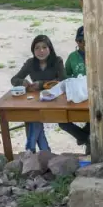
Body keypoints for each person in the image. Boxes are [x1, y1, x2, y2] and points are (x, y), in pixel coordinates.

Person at [11, 35, 65, 153]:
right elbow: (14, 79)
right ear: (33, 50)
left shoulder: (57, 61)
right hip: (37, 101)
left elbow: (63, 82)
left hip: (55, 101)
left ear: (50, 48)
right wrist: (22, 82)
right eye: (37, 48)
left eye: (44, 47)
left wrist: (41, 85)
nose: (41, 51)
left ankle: (30, 151)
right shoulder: (30, 63)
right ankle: (45, 152)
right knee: (35, 119)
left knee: (35, 119)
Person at [59, 25, 91, 153]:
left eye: (86, 40)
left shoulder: (99, 54)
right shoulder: (72, 57)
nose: (83, 43)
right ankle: (84, 137)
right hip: (78, 95)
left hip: (93, 96)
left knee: (94, 120)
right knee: (61, 120)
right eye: (80, 40)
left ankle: (89, 145)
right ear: (77, 42)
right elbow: (66, 75)